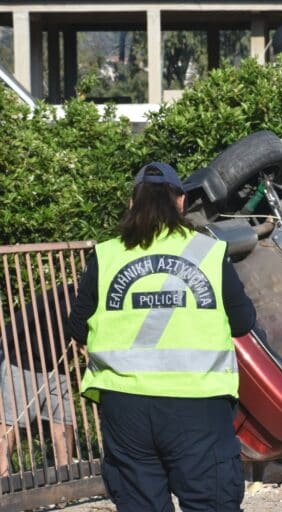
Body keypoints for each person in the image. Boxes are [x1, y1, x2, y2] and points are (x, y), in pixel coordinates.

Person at [67, 162, 256, 512]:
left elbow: (77, 327)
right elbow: (243, 321)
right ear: (180, 202)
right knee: (209, 502)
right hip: (197, 402)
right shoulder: (209, 253)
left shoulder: (106, 255)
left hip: (125, 407)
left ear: (131, 202)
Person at [0, 285, 75, 476]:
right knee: (11, 422)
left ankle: (66, 477)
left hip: (55, 361)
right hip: (21, 355)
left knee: (63, 417)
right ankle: (2, 478)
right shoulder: (80, 294)